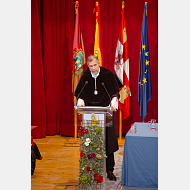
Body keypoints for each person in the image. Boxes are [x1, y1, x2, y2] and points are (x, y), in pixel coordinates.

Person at [74, 55, 122, 181]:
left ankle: (110, 170)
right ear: (88, 66)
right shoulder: (85, 77)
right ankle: (92, 169)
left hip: (106, 112)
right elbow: (80, 94)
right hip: (91, 114)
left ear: (99, 63)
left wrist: (114, 101)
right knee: (91, 141)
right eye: (90, 66)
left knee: (109, 142)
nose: (93, 68)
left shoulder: (108, 75)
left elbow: (115, 93)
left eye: (95, 65)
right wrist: (80, 101)